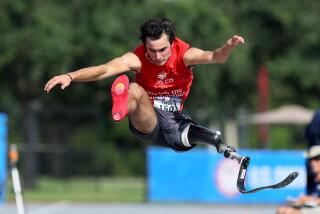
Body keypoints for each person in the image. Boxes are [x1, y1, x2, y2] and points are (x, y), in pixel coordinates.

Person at [44, 17, 244, 154]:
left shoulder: (185, 55)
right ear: (144, 45)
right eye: (151, 50)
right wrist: (71, 76)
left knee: (200, 135)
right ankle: (122, 107)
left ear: (172, 43)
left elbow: (215, 57)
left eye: (162, 50)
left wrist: (227, 47)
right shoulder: (137, 58)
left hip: (174, 121)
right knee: (133, 88)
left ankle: (212, 140)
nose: (157, 56)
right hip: (148, 119)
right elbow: (104, 70)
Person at [277, 145, 320, 214]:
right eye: (310, 159)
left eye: (317, 158)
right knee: (282, 209)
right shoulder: (311, 179)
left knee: (291, 212)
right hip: (314, 207)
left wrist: (307, 199)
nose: (313, 163)